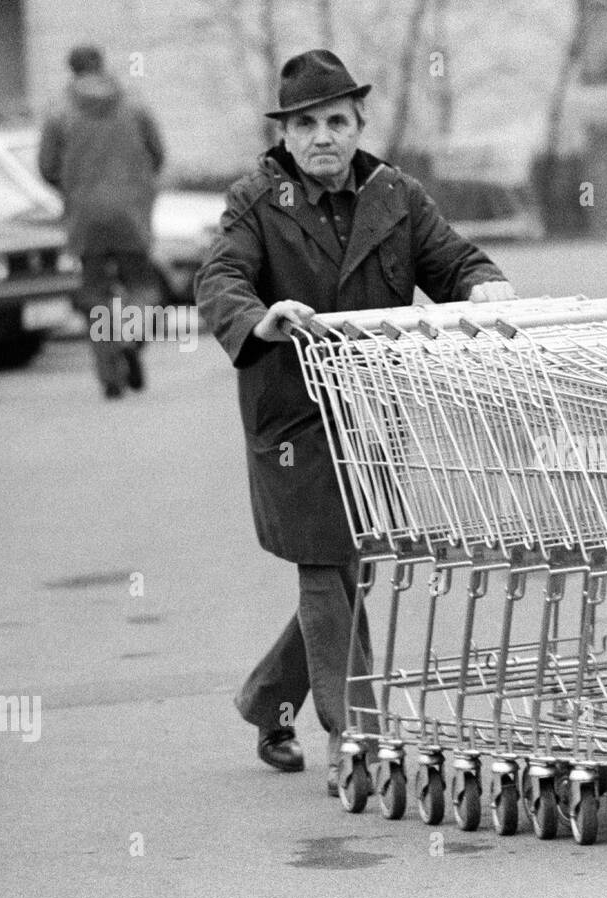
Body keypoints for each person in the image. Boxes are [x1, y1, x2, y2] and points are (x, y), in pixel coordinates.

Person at [195, 49, 515, 796]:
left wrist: (482, 284)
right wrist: (260, 317)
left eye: (335, 121)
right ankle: (359, 737)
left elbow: (449, 258)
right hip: (293, 412)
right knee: (322, 563)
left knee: (353, 566)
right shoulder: (256, 198)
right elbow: (219, 277)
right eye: (304, 124)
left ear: (357, 125)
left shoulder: (393, 193)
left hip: (371, 411)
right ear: (286, 133)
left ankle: (267, 701)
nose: (321, 137)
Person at [39, 44, 165, 399]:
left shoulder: (59, 113)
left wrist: (74, 189)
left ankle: (110, 376)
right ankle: (131, 336)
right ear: (101, 65)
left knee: (96, 297)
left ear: (72, 70)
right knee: (141, 286)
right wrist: (138, 189)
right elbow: (157, 154)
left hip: (85, 218)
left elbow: (47, 168)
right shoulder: (135, 105)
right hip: (131, 216)